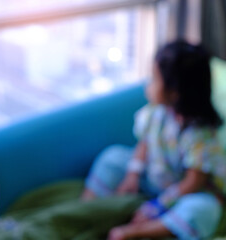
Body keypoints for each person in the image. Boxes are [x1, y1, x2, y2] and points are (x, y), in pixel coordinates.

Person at [82, 40, 226, 240]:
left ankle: (134, 232)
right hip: (153, 178)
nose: (149, 85)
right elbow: (145, 143)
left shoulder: (200, 134)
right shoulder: (156, 113)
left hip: (182, 192)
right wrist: (133, 173)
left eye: (155, 79)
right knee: (113, 157)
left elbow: (193, 182)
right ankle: (85, 208)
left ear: (174, 93)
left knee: (205, 209)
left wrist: (159, 205)